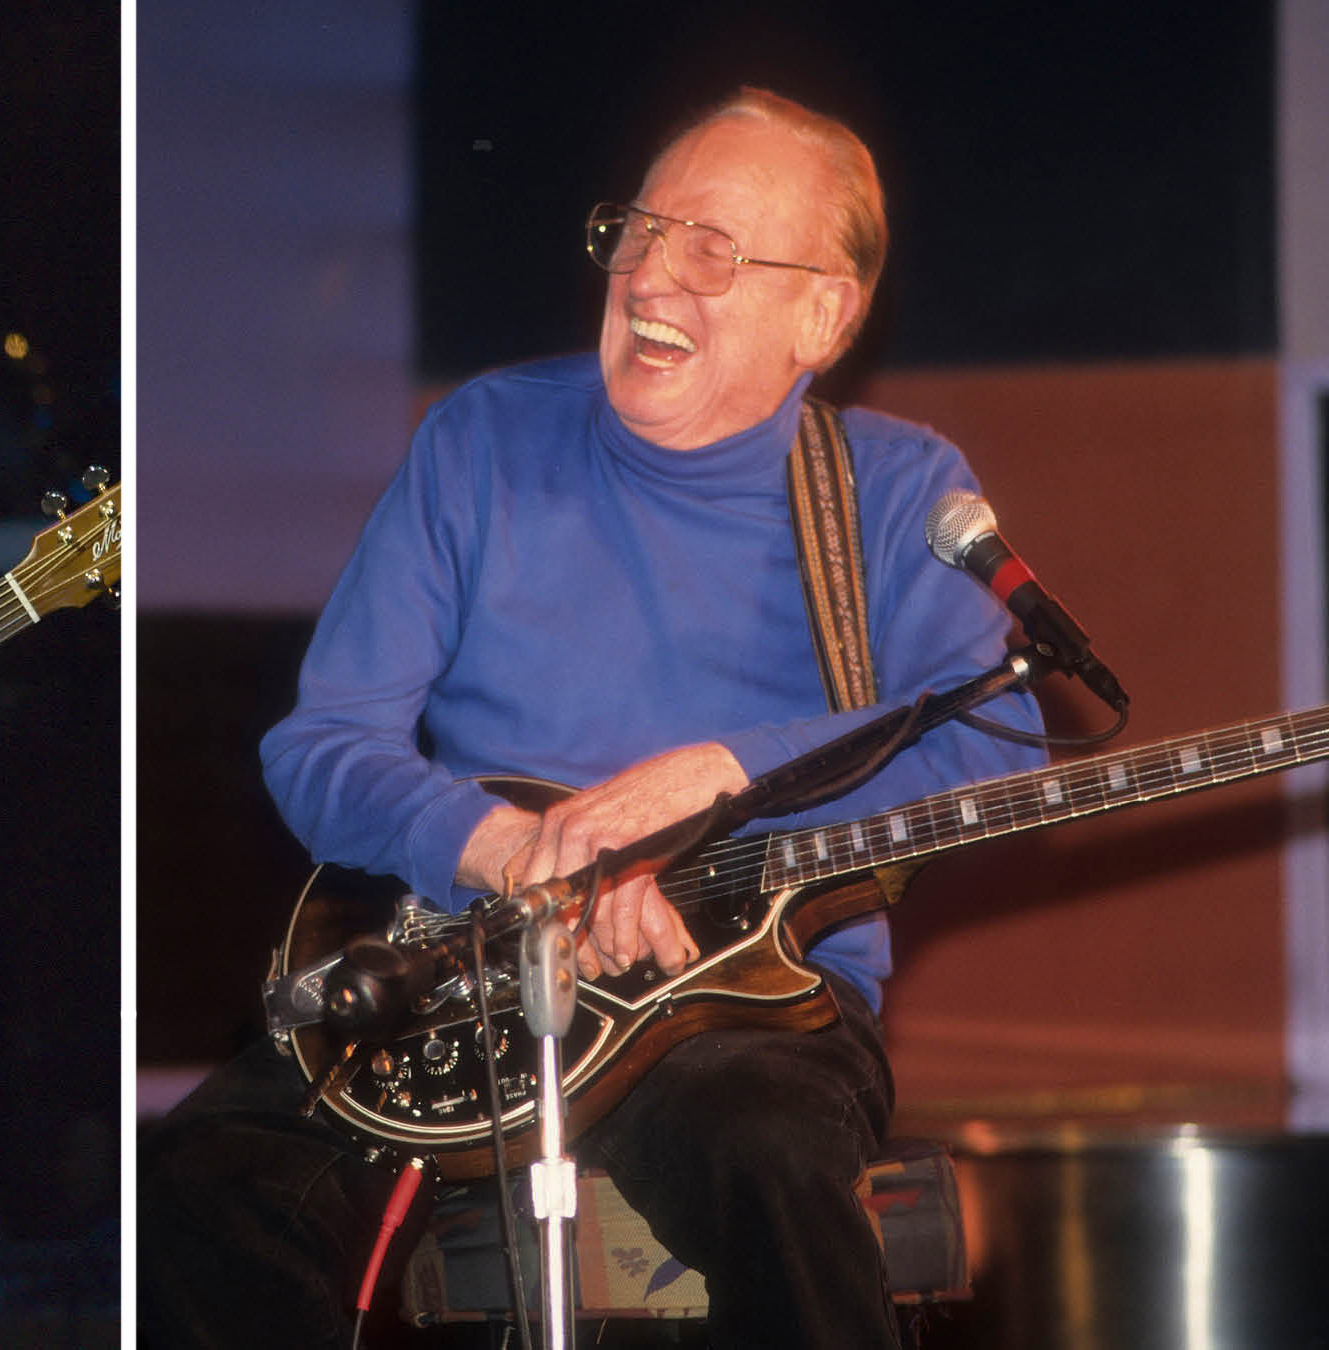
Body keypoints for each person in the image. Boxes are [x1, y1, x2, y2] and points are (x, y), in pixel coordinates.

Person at [140, 88, 1045, 1349]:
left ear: (822, 314)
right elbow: (319, 747)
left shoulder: (897, 492)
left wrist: (716, 776)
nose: (649, 275)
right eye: (638, 229)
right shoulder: (483, 440)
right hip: (463, 970)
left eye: (711, 249)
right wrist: (521, 853)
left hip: (751, 1005)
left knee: (767, 1159)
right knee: (197, 1195)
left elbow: (990, 746)